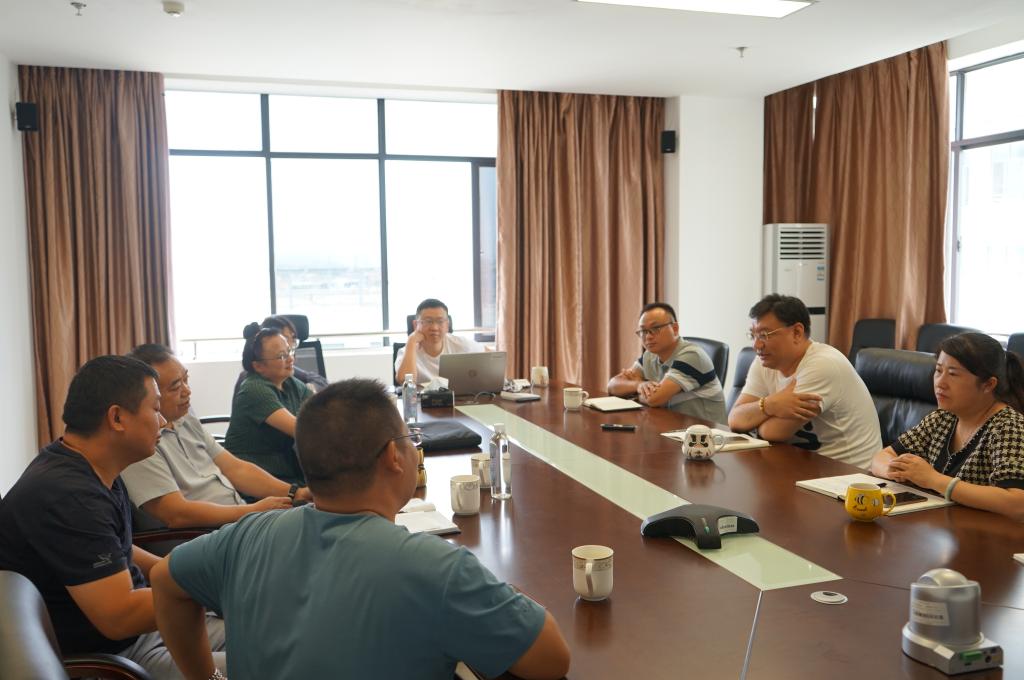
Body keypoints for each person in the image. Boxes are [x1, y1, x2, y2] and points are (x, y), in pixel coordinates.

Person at [150, 378, 571, 680]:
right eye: (409, 440)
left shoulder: (247, 535)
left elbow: (165, 579)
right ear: (393, 456)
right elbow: (552, 661)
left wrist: (205, 676)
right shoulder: (435, 568)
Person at [0, 355, 227, 679]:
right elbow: (120, 616)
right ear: (117, 418)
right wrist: (209, 588)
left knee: (268, 627)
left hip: (151, 627)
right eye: (155, 408)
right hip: (121, 654)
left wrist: (179, 570)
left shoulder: (90, 465)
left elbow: (116, 547)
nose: (163, 421)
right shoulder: (69, 496)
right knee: (268, 660)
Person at [121, 344, 310, 529]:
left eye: (186, 379)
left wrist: (295, 493)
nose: (187, 391)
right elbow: (176, 514)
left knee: (311, 520)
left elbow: (236, 469)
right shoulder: (139, 443)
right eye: (176, 386)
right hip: (201, 536)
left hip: (237, 521)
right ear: (151, 395)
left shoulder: (185, 417)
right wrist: (252, 511)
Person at [870, 333, 1024, 520]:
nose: (940, 383)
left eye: (953, 374)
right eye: (938, 370)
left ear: (988, 384)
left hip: (988, 534)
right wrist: (895, 471)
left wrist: (933, 480)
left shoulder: (1008, 427)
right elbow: (882, 456)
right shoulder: (943, 417)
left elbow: (1017, 503)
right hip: (942, 527)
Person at [728, 294, 881, 467]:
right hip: (801, 465)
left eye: (764, 335)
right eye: (753, 335)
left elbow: (772, 432)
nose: (757, 345)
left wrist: (756, 417)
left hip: (848, 474)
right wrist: (771, 404)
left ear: (797, 332)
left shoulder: (822, 365)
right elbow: (735, 419)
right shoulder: (765, 361)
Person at [607, 302, 727, 422]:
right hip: (671, 426)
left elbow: (654, 399)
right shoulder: (649, 356)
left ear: (675, 329)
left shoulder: (692, 356)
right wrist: (639, 385)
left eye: (655, 329)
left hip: (706, 432)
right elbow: (612, 386)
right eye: (643, 331)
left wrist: (633, 394)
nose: (648, 337)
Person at [224, 325, 313, 485]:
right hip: (255, 482)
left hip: (287, 476)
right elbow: (301, 430)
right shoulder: (254, 389)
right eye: (281, 356)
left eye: (289, 351)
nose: (291, 359)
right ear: (258, 366)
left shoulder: (291, 383)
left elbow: (322, 411)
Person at [232, 315, 328, 394]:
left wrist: (309, 391)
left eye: (293, 338)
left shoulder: (288, 378)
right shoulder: (254, 386)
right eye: (285, 338)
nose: (291, 344)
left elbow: (318, 380)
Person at [394, 298, 482, 383]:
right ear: (416, 325)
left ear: (447, 325)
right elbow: (404, 381)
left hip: (456, 393)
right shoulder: (407, 351)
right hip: (421, 394)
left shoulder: (461, 344)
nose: (434, 328)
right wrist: (411, 341)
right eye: (428, 321)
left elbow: (488, 353)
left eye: (440, 321)